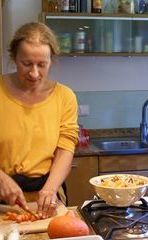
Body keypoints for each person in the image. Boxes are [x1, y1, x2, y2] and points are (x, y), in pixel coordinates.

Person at [0, 22, 79, 217]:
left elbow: (65, 149)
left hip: (47, 196)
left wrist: (50, 189)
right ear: (14, 58)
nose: (34, 73)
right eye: (26, 64)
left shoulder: (65, 96)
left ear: (51, 60)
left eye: (42, 65)